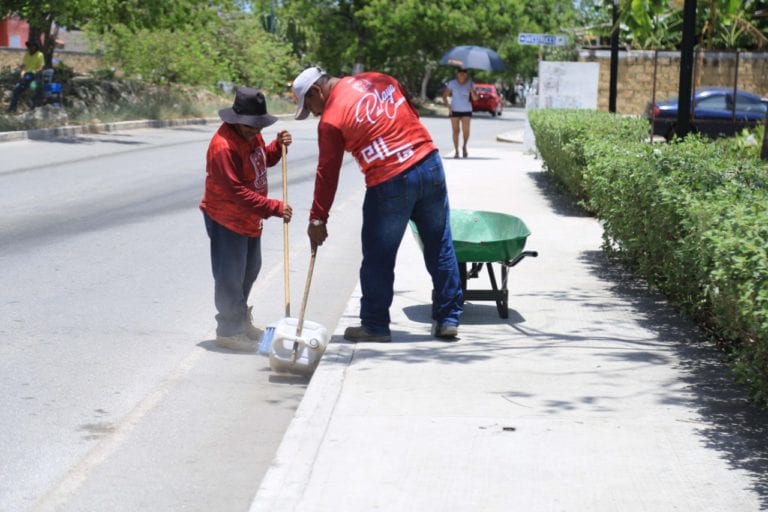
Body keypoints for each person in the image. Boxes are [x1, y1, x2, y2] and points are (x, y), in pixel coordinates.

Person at [292, 66, 463, 342]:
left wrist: (317, 219)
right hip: (429, 163)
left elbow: (327, 172)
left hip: (390, 181)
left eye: (310, 105)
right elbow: (411, 116)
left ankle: (374, 325)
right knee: (439, 243)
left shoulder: (331, 121)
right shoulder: (379, 80)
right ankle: (449, 317)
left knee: (378, 256)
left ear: (316, 90)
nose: (313, 113)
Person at [200, 87, 293, 351]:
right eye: (251, 127)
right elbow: (236, 191)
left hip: (250, 217)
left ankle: (240, 319)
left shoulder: (252, 136)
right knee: (230, 276)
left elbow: (261, 163)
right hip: (227, 218)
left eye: (258, 126)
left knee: (250, 269)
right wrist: (272, 207)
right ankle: (228, 331)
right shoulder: (223, 147)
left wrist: (277, 147)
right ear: (237, 120)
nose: (256, 131)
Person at [441, 68, 478, 158]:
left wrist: (472, 90)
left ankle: (464, 146)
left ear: (466, 74)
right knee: (455, 131)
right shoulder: (452, 83)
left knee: (466, 131)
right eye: (460, 72)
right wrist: (448, 106)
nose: (462, 74)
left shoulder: (470, 83)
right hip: (454, 109)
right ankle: (456, 151)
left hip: (466, 109)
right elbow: (445, 96)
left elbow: (475, 98)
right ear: (457, 73)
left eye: (464, 72)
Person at [7, 40, 45, 113]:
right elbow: (24, 66)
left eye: (33, 46)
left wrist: (35, 71)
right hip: (26, 75)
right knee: (16, 90)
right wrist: (22, 72)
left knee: (35, 90)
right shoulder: (27, 54)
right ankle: (12, 109)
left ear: (36, 47)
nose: (31, 47)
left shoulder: (40, 54)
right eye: (30, 46)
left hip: (35, 75)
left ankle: (34, 109)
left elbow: (41, 66)